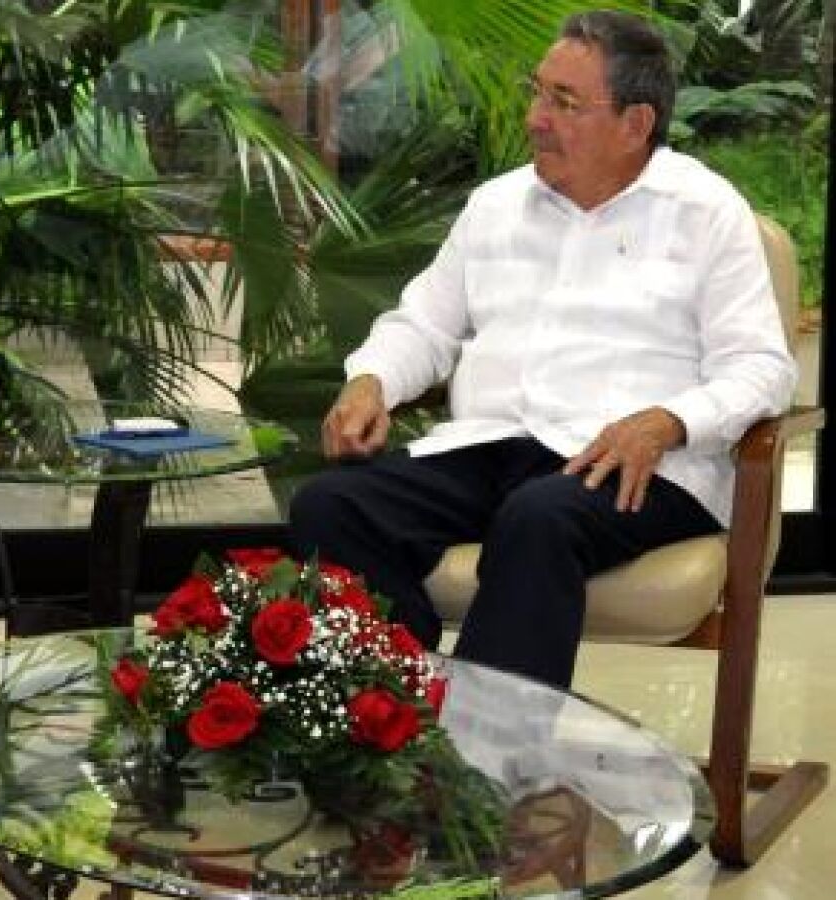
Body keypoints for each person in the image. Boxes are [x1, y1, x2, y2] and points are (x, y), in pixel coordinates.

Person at [288, 10, 795, 690]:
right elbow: (424, 324)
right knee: (329, 506)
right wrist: (371, 379)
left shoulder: (705, 213)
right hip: (493, 446)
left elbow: (762, 368)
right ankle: (399, 709)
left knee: (539, 516)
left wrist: (668, 421)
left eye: (564, 102)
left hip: (637, 465)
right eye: (537, 93)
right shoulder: (495, 206)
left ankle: (493, 746)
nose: (535, 118)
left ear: (635, 124)